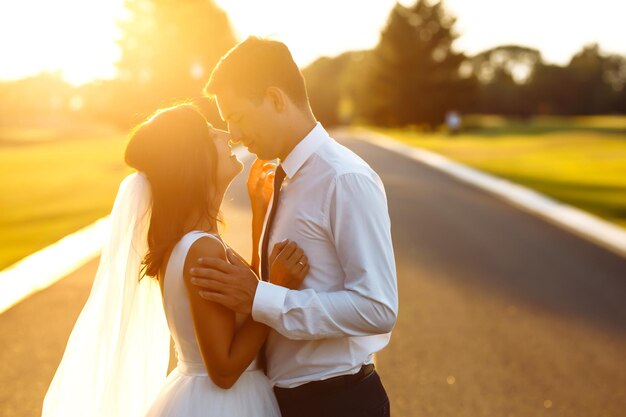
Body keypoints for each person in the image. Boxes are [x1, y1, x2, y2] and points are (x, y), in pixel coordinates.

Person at [42, 104, 309, 417]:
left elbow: (243, 297)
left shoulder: (192, 243)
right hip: (224, 404)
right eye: (211, 133)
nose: (225, 134)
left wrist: (259, 214)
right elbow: (223, 370)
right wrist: (276, 289)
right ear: (194, 160)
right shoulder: (202, 249)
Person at [190, 37, 398, 417]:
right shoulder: (280, 179)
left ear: (275, 99)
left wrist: (261, 299)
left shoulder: (344, 179)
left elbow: (378, 307)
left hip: (338, 403)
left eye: (236, 116)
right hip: (285, 402)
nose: (233, 134)